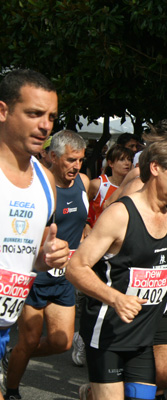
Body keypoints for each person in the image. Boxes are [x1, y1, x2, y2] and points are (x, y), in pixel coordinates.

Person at [65, 132, 167, 400]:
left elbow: (154, 266)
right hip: (109, 334)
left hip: (143, 337)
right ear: (156, 167)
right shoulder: (120, 214)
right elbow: (76, 267)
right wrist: (116, 298)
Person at [0, 69, 70, 400]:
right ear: (3, 111)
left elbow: (32, 256)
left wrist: (44, 259)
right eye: (34, 113)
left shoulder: (45, 183)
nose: (45, 125)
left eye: (51, 116)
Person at [4, 130, 89, 400]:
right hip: (36, 273)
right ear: (53, 157)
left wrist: (87, 231)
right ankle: (14, 390)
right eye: (70, 160)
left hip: (64, 275)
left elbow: (88, 217)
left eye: (80, 160)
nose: (76, 166)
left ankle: (12, 354)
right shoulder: (39, 184)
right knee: (28, 340)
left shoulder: (85, 182)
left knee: (61, 341)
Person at [86, 145, 134, 227]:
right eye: (122, 159)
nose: (127, 163)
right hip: (99, 234)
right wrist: (86, 224)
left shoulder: (134, 186)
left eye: (129, 160)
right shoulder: (97, 184)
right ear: (110, 163)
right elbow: (82, 206)